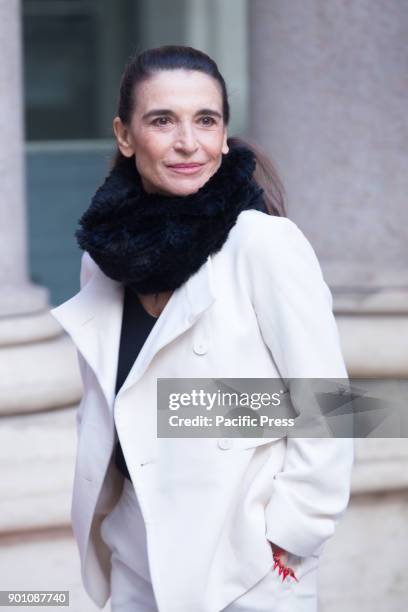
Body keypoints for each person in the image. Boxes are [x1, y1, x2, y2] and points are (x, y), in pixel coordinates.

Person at [50, 45, 354, 612]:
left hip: (246, 565)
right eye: (162, 120)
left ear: (223, 133)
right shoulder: (103, 259)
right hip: (137, 554)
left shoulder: (260, 243)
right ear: (124, 135)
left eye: (205, 120)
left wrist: (289, 533)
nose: (188, 142)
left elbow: (329, 404)